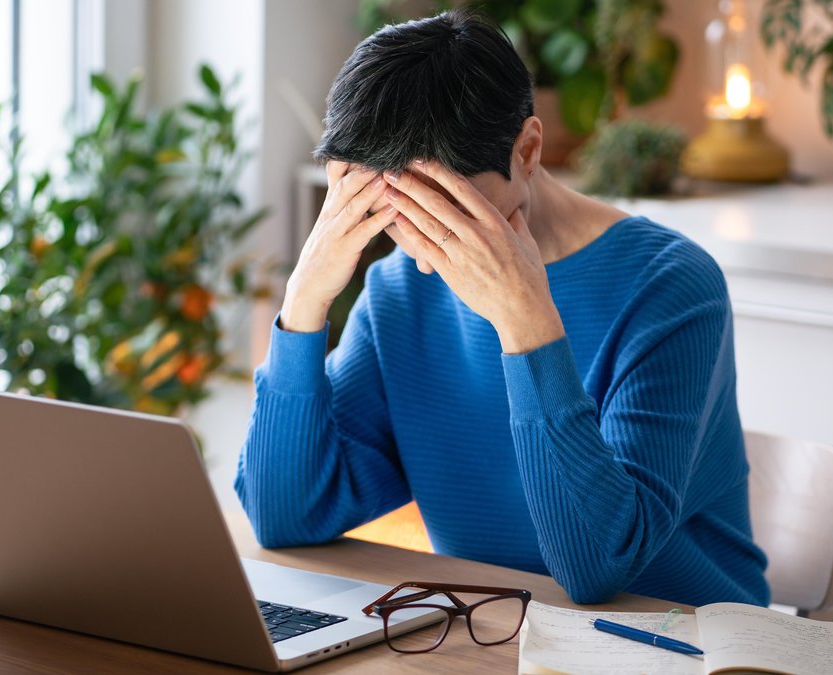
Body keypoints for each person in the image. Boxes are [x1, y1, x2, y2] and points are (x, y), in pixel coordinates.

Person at [235, 10, 770, 607]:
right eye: (387, 208)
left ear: (528, 151)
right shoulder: (400, 294)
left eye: (444, 206)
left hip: (677, 637)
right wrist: (305, 301)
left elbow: (598, 567)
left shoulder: (669, 285)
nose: (420, 241)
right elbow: (283, 517)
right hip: (493, 630)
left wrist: (524, 319)